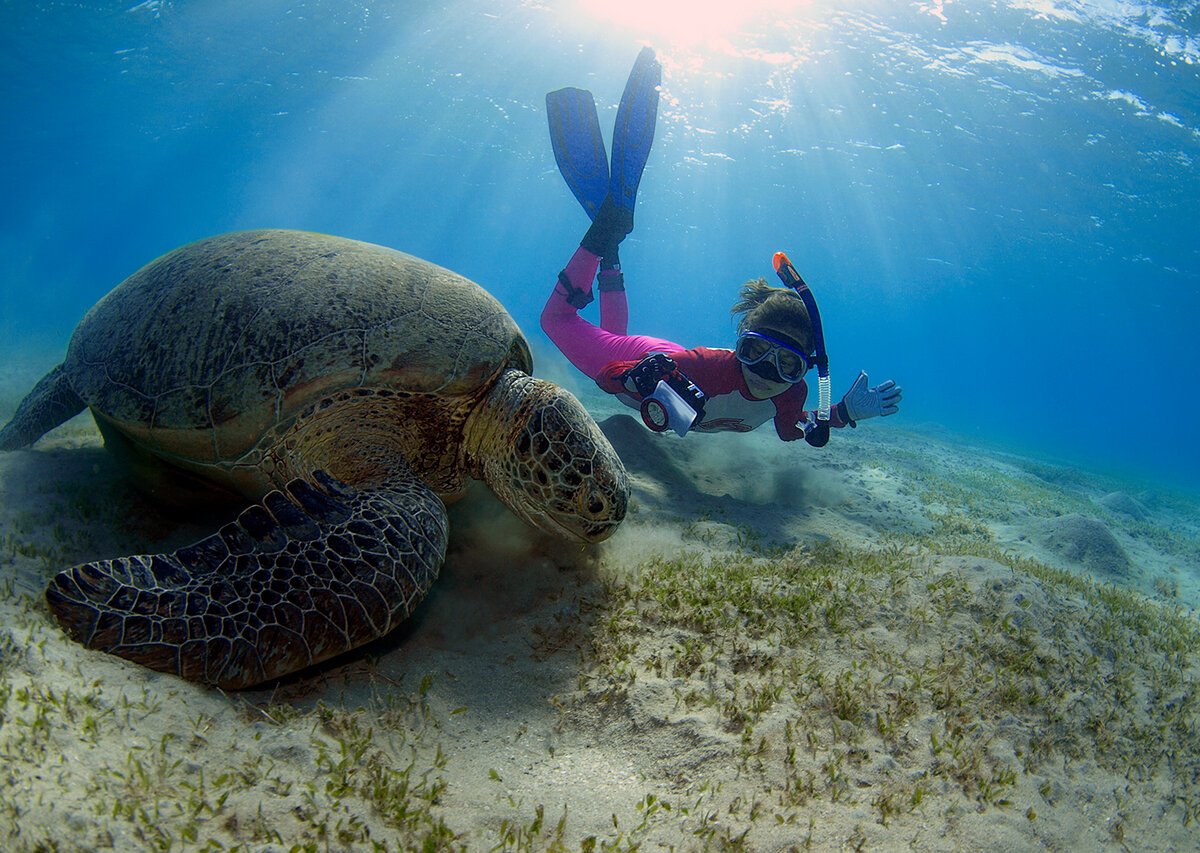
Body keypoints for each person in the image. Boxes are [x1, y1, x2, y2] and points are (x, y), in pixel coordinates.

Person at [541, 48, 901, 445]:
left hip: (656, 357)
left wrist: (844, 413)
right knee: (555, 321)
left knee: (613, 335)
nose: (766, 373)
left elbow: (794, 427)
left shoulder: (790, 394)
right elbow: (612, 375)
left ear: (803, 371)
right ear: (738, 344)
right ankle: (605, 231)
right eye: (756, 352)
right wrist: (628, 376)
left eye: (785, 364)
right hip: (655, 357)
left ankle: (609, 252)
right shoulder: (705, 367)